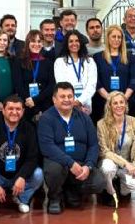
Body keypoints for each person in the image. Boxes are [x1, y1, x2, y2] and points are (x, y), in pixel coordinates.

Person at [38, 82, 106, 214]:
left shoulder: (84, 118)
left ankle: (72, 191)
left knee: (99, 182)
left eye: (70, 96)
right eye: (62, 96)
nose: (67, 99)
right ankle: (55, 197)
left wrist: (89, 165)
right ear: (54, 99)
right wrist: (70, 163)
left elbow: (93, 145)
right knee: (54, 171)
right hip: (59, 163)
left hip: (80, 164)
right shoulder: (46, 118)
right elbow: (47, 147)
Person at [0, 95, 44, 214]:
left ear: (23, 111)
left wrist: (22, 176)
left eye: (18, 109)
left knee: (38, 175)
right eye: (10, 109)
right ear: (3, 110)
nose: (14, 112)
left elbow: (32, 158)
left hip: (18, 175)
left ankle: (21, 199)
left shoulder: (29, 129)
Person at [96, 91, 135, 203]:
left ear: (126, 104)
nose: (119, 106)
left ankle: (122, 185)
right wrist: (126, 164)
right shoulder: (101, 124)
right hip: (111, 163)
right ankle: (108, 188)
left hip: (128, 165)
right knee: (108, 167)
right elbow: (104, 151)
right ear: (110, 106)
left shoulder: (134, 122)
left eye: (121, 102)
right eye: (115, 103)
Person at [93, 25, 135, 121]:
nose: (117, 39)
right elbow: (96, 81)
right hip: (103, 103)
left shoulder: (130, 57)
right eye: (114, 36)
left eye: (119, 37)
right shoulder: (98, 57)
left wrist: (122, 100)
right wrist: (110, 98)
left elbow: (134, 80)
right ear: (107, 38)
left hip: (124, 103)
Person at [54, 30, 98, 116]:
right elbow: (62, 85)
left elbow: (92, 85)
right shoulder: (59, 62)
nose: (74, 43)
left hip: (85, 107)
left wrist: (80, 101)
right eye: (71, 41)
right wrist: (73, 103)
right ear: (66, 44)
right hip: (67, 105)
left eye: (77, 41)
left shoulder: (90, 62)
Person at [15, 29, 55, 121]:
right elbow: (18, 84)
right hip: (26, 104)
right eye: (33, 41)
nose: (36, 44)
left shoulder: (48, 63)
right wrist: (28, 99)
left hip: (44, 105)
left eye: (39, 41)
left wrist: (35, 100)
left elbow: (51, 85)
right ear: (27, 43)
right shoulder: (19, 62)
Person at [0, 29, 21, 116]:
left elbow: (18, 82)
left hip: (11, 105)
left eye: (5, 40)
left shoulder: (14, 60)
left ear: (8, 43)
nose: (2, 42)